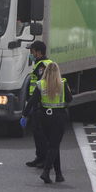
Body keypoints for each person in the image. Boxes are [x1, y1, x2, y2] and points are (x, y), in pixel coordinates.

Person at [36, 61, 71, 184]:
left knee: (53, 145)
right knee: (54, 145)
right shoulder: (62, 83)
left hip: (44, 118)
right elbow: (69, 99)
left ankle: (58, 174)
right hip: (58, 117)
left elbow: (33, 101)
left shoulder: (40, 84)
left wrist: (24, 115)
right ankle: (46, 172)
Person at [22, 41, 53, 169]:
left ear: (38, 52)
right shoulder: (42, 64)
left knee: (41, 134)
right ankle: (39, 157)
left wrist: (27, 109)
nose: (31, 54)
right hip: (38, 103)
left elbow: (40, 88)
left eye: (32, 51)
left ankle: (45, 159)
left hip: (41, 103)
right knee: (37, 132)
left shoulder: (42, 66)